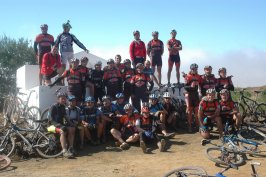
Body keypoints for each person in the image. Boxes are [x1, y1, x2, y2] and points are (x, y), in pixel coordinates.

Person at [47, 92, 75, 158]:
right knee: (62, 131)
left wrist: (72, 124)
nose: (64, 100)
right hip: (50, 127)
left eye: (65, 99)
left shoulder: (63, 107)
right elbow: (50, 119)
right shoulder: (53, 106)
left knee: (71, 129)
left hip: (60, 126)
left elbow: (66, 117)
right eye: (62, 99)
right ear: (58, 99)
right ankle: (64, 151)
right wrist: (58, 125)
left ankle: (71, 148)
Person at [184, 63, 202, 132]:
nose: (194, 70)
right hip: (190, 96)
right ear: (191, 69)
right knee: (189, 112)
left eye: (195, 69)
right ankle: (190, 126)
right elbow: (185, 87)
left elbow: (201, 85)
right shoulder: (188, 76)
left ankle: (198, 126)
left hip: (196, 95)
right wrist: (191, 86)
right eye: (193, 69)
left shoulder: (198, 76)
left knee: (197, 112)